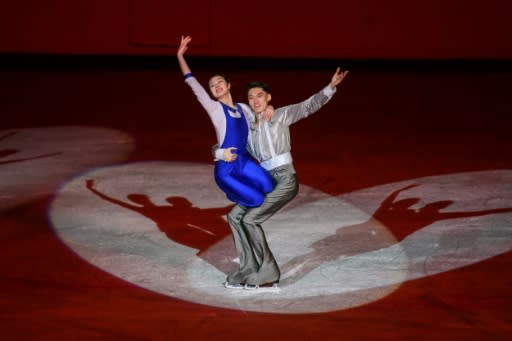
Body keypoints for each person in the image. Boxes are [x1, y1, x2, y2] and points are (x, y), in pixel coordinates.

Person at [214, 68, 349, 289]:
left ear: (268, 98)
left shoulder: (280, 115)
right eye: (251, 97)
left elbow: (308, 106)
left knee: (250, 219)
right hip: (265, 181)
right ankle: (248, 267)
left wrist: (330, 87)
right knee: (235, 216)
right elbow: (226, 144)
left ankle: (268, 270)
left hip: (285, 180)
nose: (255, 100)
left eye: (259, 96)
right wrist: (220, 153)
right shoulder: (247, 129)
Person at [177, 35, 275, 208]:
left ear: (228, 85)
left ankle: (243, 187)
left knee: (270, 186)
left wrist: (269, 108)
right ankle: (232, 192)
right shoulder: (215, 109)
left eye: (219, 82)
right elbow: (192, 83)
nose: (216, 86)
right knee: (257, 200)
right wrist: (180, 56)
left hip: (243, 162)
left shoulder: (243, 108)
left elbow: (259, 121)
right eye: (212, 85)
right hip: (226, 170)